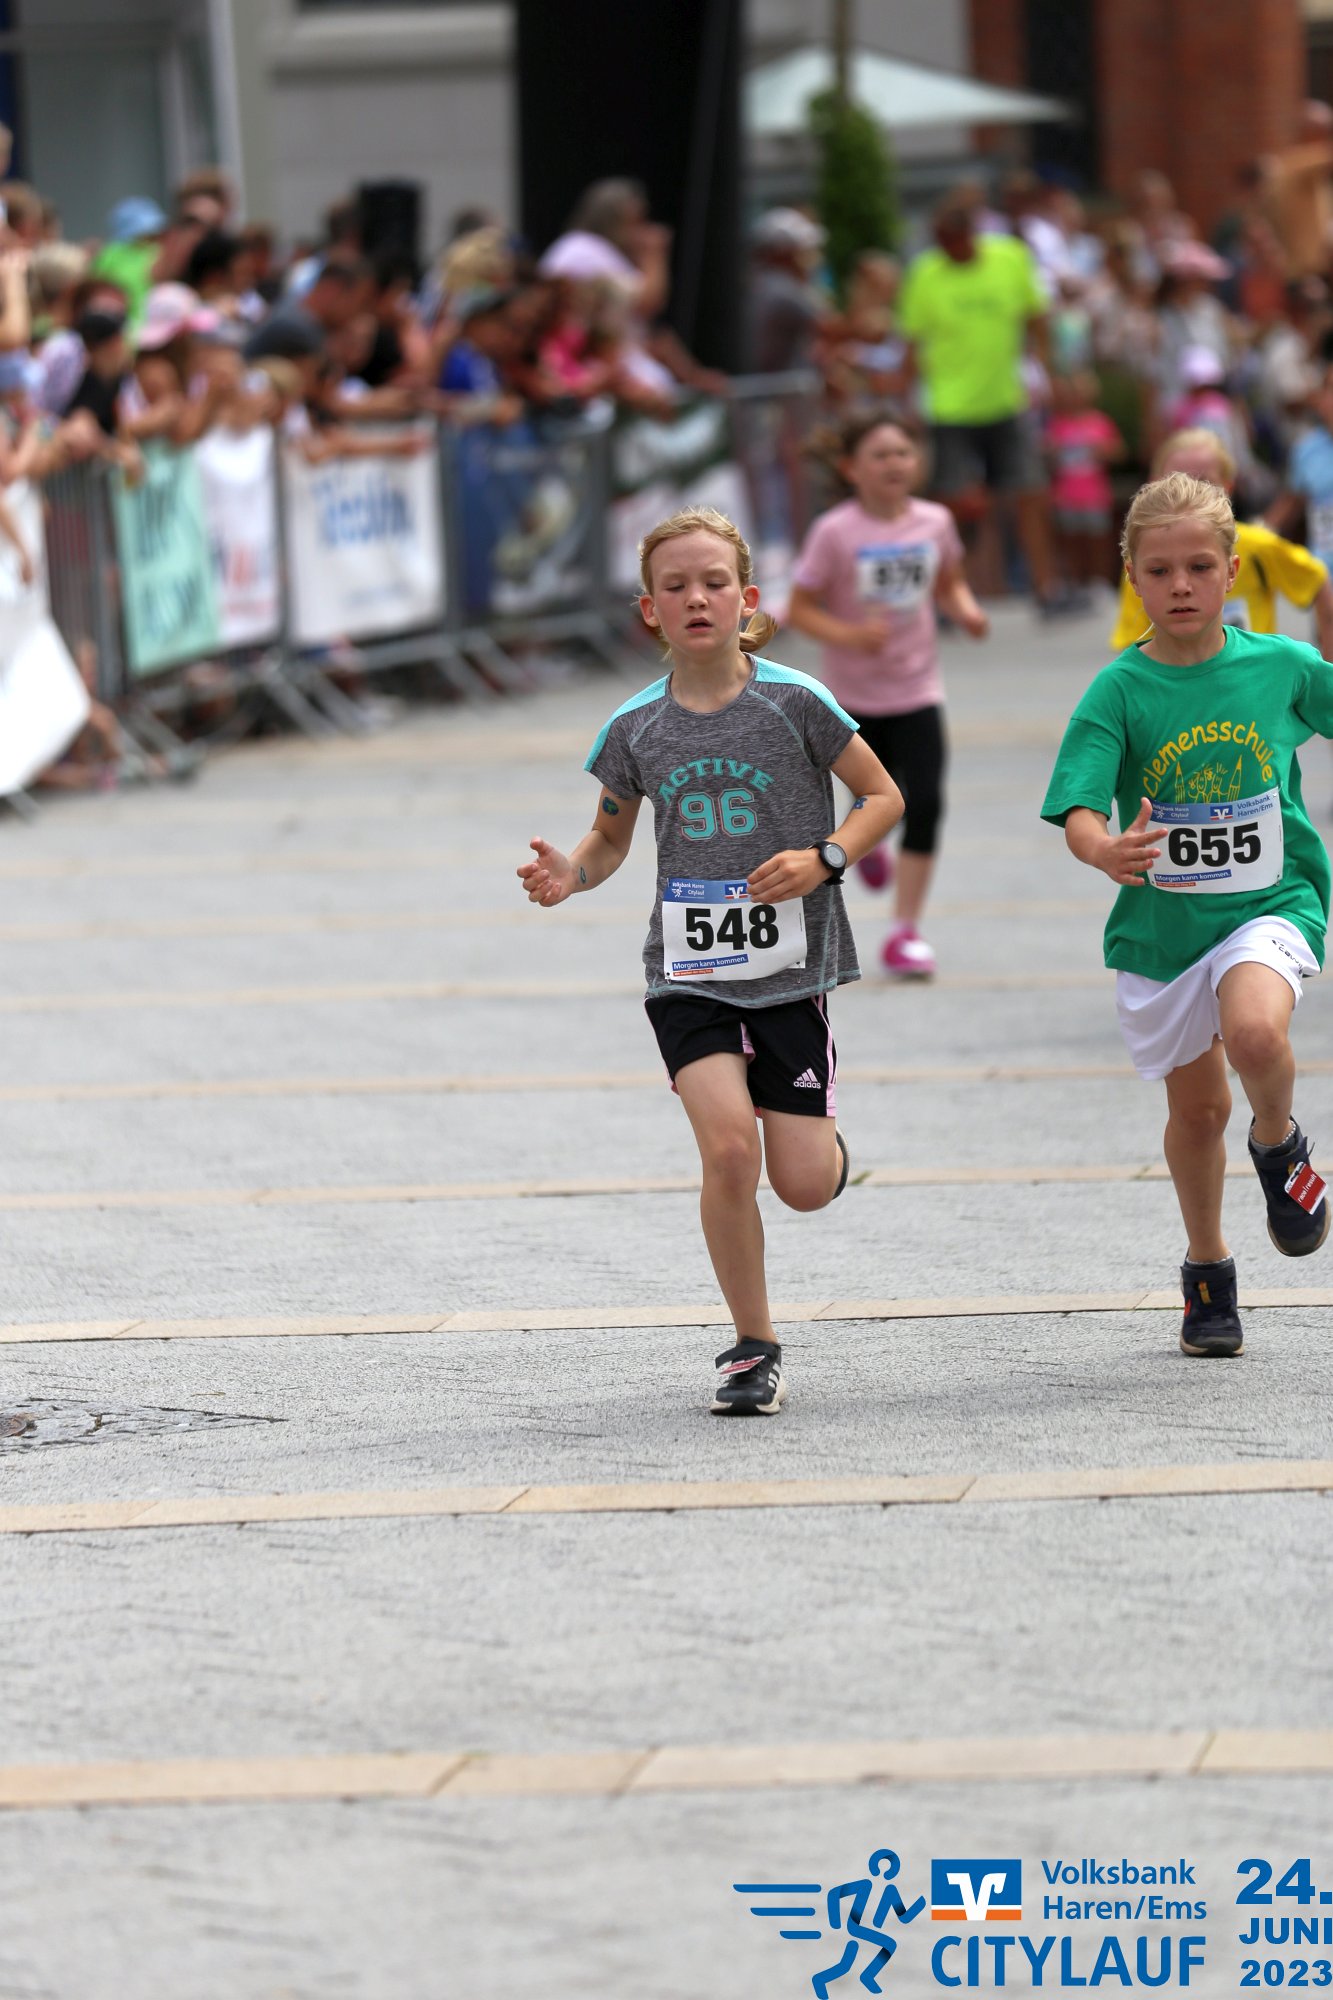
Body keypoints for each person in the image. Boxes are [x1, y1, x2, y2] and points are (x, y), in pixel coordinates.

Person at [517, 505, 902, 1415]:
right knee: (729, 1152)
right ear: (648, 610)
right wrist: (572, 873)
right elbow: (610, 840)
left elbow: (882, 796)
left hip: (791, 971)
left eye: (713, 583)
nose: (697, 599)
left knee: (800, 1185)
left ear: (747, 599)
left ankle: (825, 1152)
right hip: (687, 974)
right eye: (675, 587)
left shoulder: (796, 702)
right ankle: (751, 1345)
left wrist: (825, 858)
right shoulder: (634, 727)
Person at [1043, 472, 1333, 1359]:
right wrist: (1102, 849)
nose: (1179, 586)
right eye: (1159, 570)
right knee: (1198, 1113)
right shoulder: (1117, 690)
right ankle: (1207, 1270)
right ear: (1130, 576)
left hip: (1270, 902)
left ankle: (1278, 1144)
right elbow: (1079, 805)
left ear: (1231, 572)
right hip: (1162, 931)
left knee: (1255, 1034)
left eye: (1199, 567)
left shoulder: (1279, 667)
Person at [787, 410, 988, 978]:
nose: (895, 463)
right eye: (880, 455)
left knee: (925, 804)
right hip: (852, 700)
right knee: (871, 801)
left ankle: (905, 931)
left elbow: (949, 580)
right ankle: (868, 845)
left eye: (903, 452)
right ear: (851, 468)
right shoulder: (835, 532)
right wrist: (850, 635)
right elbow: (801, 609)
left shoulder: (934, 521)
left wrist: (966, 612)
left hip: (918, 688)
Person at [896, 195, 1063, 613]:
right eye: (944, 243)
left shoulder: (1010, 258)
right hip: (950, 407)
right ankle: (947, 597)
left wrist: (1045, 371)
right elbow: (912, 344)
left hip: (1005, 399)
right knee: (950, 507)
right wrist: (906, 401)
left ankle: (1046, 587)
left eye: (957, 241)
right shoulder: (925, 274)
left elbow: (1037, 318)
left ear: (972, 235)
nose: (952, 250)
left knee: (1030, 493)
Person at [1112, 430, 1333, 657]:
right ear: (1152, 484)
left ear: (1228, 486)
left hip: (1252, 676)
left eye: (1201, 567)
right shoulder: (1145, 558)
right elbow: (1131, 643)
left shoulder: (1257, 545)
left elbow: (1317, 579)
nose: (1190, 492)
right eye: (1160, 571)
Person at [1044, 370, 1124, 591]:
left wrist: (1101, 450)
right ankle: (1076, 583)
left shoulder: (1100, 421)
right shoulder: (1058, 423)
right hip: (1066, 494)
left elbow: (1118, 451)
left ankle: (1100, 582)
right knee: (1071, 542)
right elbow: (1047, 455)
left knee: (1099, 541)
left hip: (1095, 494)